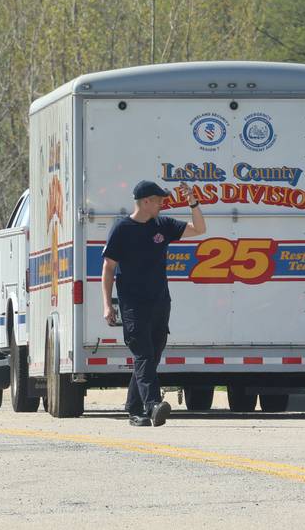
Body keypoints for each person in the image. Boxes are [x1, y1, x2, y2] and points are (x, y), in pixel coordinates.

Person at [101, 180, 206, 426]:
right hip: (133, 305)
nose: (163, 203)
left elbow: (199, 229)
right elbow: (108, 268)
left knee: (152, 356)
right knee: (144, 354)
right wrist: (107, 305)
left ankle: (134, 409)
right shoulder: (122, 229)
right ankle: (153, 404)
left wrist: (193, 202)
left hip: (160, 302)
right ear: (146, 202)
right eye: (159, 200)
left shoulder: (163, 225)